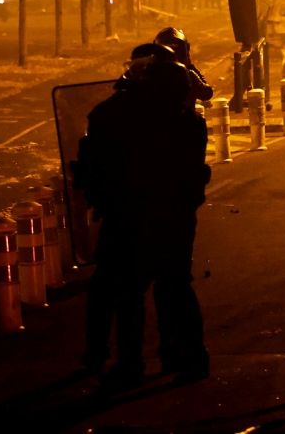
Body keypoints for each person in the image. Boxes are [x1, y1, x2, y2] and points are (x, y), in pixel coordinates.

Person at [74, 46, 212, 389]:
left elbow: (94, 163)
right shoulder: (189, 122)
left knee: (129, 291)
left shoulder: (117, 114)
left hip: (129, 216)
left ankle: (129, 363)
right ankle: (192, 357)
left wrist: (99, 198)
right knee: (177, 287)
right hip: (176, 218)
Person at [154, 27, 214, 107]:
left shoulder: (150, 76)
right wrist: (190, 66)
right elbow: (206, 93)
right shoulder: (187, 76)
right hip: (184, 119)